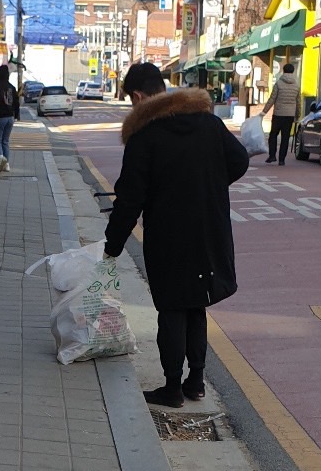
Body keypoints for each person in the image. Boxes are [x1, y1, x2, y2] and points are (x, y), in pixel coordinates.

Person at [103, 62, 250, 409]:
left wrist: (113, 244)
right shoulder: (208, 123)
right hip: (208, 230)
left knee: (171, 308)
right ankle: (195, 382)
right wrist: (207, 184)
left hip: (168, 235)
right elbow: (240, 160)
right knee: (197, 304)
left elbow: (130, 199)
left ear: (138, 97)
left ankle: (171, 387)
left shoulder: (144, 137)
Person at [261, 63, 300, 165]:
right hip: (290, 115)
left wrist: (264, 111)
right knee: (285, 137)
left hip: (278, 114)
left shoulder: (278, 83)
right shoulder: (296, 85)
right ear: (293, 71)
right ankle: (282, 160)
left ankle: (272, 156)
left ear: (283, 70)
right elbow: (298, 102)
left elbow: (272, 99)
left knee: (273, 135)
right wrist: (297, 115)